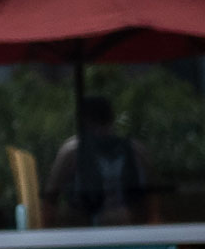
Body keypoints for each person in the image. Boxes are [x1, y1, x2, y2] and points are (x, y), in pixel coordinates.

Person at [46, 94, 151, 227]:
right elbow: (50, 199)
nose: (99, 133)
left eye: (103, 124)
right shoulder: (72, 152)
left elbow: (153, 200)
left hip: (128, 232)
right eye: (96, 124)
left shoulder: (135, 152)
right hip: (85, 233)